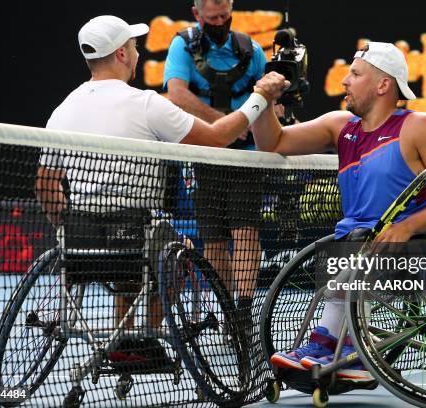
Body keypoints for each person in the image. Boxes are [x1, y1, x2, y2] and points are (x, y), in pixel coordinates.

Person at [35, 15, 286, 362]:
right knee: (174, 249)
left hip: (81, 244)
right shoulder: (147, 104)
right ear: (122, 53)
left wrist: (68, 229)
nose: (137, 52)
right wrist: (259, 98)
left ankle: (124, 337)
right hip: (138, 236)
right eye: (135, 46)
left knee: (133, 250)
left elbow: (45, 184)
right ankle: (145, 339)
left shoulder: (62, 111)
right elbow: (217, 138)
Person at [252, 42, 426, 382]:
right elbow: (273, 142)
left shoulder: (420, 127)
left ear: (383, 85)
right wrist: (264, 101)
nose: (345, 81)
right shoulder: (340, 126)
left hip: (416, 253)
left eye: (355, 74)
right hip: (358, 249)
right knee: (348, 262)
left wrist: (408, 226)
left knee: (351, 269)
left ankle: (337, 348)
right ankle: (341, 350)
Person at [163, 0, 266, 323]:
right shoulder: (181, 44)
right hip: (203, 154)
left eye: (225, 16)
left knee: (246, 232)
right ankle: (224, 309)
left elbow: (270, 97)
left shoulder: (252, 49)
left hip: (247, 157)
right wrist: (224, 124)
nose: (219, 22)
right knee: (215, 239)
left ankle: (243, 313)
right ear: (197, 15)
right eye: (212, 18)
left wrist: (264, 117)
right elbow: (177, 94)